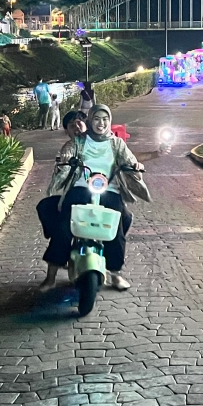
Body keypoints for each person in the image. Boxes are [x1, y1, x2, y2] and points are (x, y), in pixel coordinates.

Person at [40, 104, 150, 292]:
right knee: (65, 227)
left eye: (105, 119)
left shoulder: (117, 143)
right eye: (97, 119)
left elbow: (130, 160)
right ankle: (51, 276)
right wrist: (64, 161)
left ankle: (115, 273)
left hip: (110, 190)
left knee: (117, 226)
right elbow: (66, 155)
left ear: (110, 121)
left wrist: (136, 166)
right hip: (81, 188)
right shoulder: (79, 142)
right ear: (90, 120)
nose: (101, 123)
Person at [36, 111, 87, 240]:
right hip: (77, 192)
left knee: (124, 216)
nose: (76, 127)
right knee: (53, 212)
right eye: (71, 125)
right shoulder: (68, 148)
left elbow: (122, 157)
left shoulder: (100, 143)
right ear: (66, 131)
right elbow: (59, 177)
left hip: (101, 189)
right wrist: (64, 165)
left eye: (79, 123)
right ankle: (56, 257)